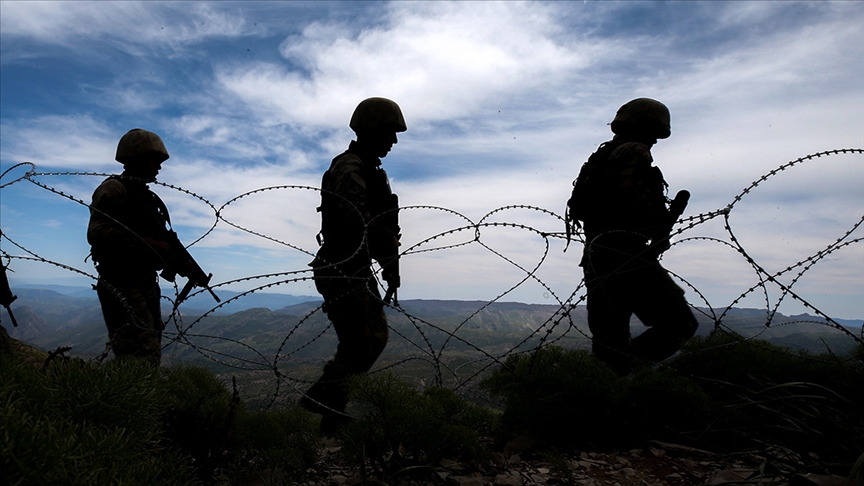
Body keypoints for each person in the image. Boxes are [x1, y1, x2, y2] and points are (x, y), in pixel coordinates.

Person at [572, 98, 698, 375]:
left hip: (596, 256)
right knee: (680, 323)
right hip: (627, 255)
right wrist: (658, 228)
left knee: (608, 343)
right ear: (649, 127)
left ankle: (601, 389)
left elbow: (582, 207)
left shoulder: (602, 156)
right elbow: (634, 202)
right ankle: (621, 376)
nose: (654, 141)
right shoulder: (635, 152)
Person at [301, 97, 405, 434]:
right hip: (340, 267)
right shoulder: (349, 167)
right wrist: (385, 242)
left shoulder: (372, 171)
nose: (394, 141)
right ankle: (328, 412)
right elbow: (355, 218)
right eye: (390, 132)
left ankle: (326, 404)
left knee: (371, 340)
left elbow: (380, 224)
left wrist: (390, 263)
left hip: (355, 268)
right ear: (372, 129)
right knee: (363, 341)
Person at [87, 128, 180, 365]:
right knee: (139, 356)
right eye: (154, 161)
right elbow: (97, 233)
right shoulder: (114, 189)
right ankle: (129, 399)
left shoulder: (146, 198)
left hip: (145, 283)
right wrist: (148, 243)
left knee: (150, 350)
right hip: (122, 283)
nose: (158, 168)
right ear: (136, 158)